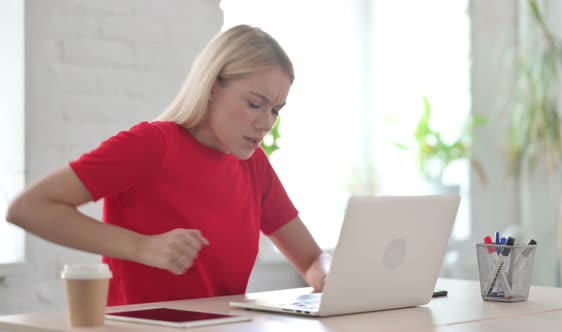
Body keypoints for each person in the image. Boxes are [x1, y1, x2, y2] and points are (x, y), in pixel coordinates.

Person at [6, 24, 331, 306]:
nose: (265, 123)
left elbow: (312, 258)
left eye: (276, 110)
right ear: (214, 86)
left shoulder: (254, 166)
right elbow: (29, 208)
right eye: (254, 103)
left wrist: (329, 277)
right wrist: (142, 247)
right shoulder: (152, 145)